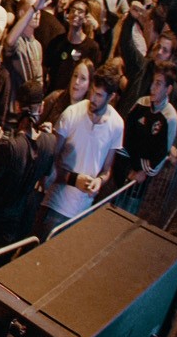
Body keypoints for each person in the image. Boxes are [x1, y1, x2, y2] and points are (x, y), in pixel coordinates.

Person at [40, 67, 124, 239]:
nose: (92, 98)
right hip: (55, 204)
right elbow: (50, 161)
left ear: (112, 97)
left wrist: (99, 182)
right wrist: (72, 179)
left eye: (99, 95)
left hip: (82, 210)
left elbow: (107, 169)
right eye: (92, 91)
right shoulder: (71, 114)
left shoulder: (117, 125)